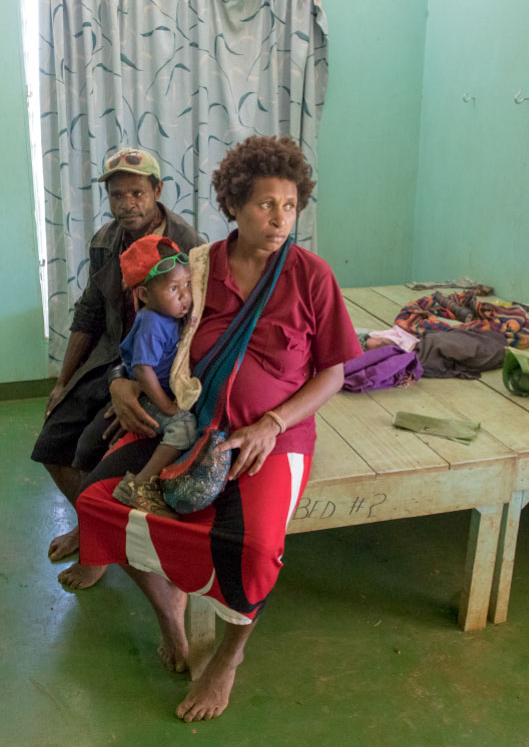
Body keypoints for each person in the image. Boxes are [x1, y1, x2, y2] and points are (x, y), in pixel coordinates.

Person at [72, 135, 362, 722]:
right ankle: (169, 610)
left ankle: (228, 658)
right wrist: (123, 385)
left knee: (254, 546)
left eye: (289, 205)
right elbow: (145, 341)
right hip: (189, 423)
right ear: (233, 205)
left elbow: (332, 373)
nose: (279, 218)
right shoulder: (195, 270)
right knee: (99, 504)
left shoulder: (311, 276)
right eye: (263, 204)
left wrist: (272, 423)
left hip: (271, 437)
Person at [31, 147, 202, 589]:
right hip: (113, 360)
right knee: (51, 442)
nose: (128, 204)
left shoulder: (190, 246)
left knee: (93, 451)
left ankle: (98, 543)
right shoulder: (106, 242)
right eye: (118, 195)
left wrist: (135, 387)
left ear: (157, 191)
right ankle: (92, 527)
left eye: (137, 193)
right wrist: (64, 382)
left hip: (158, 373)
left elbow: (200, 328)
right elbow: (90, 314)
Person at [111, 235, 197, 517]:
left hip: (162, 389)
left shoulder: (170, 315)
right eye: (174, 288)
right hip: (150, 395)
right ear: (145, 295)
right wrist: (166, 407)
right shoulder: (151, 321)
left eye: (187, 284)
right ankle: (139, 485)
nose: (185, 295)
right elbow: (143, 371)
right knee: (183, 427)